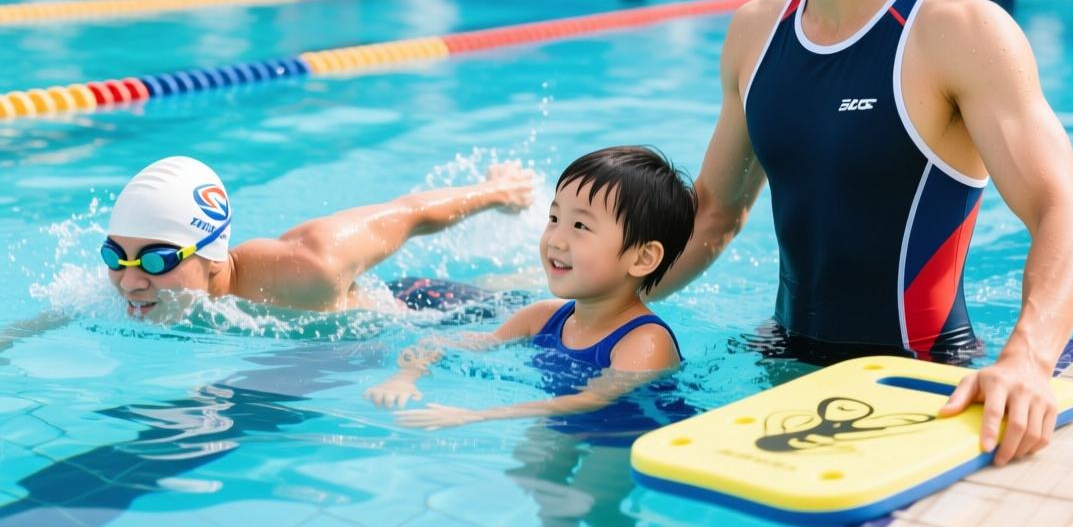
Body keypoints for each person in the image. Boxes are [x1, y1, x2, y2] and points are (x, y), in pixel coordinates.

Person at [651, 0, 1073, 466]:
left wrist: (1028, 360)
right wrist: (604, 299)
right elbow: (714, 213)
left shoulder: (954, 30)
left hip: (917, 380)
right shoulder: (756, 33)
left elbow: (1064, 211)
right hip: (777, 362)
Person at [364, 145, 697, 432]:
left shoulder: (644, 341)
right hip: (557, 419)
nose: (556, 239)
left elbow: (591, 401)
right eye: (554, 219)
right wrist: (406, 376)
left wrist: (477, 416)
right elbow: (453, 342)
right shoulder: (542, 317)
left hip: (627, 435)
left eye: (580, 225)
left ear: (642, 258)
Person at [102, 155, 536, 322]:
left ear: (211, 253)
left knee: (525, 302)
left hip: (432, 308)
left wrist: (499, 192)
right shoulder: (126, 285)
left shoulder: (310, 263)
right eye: (116, 256)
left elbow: (411, 213)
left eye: (156, 260)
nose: (130, 282)